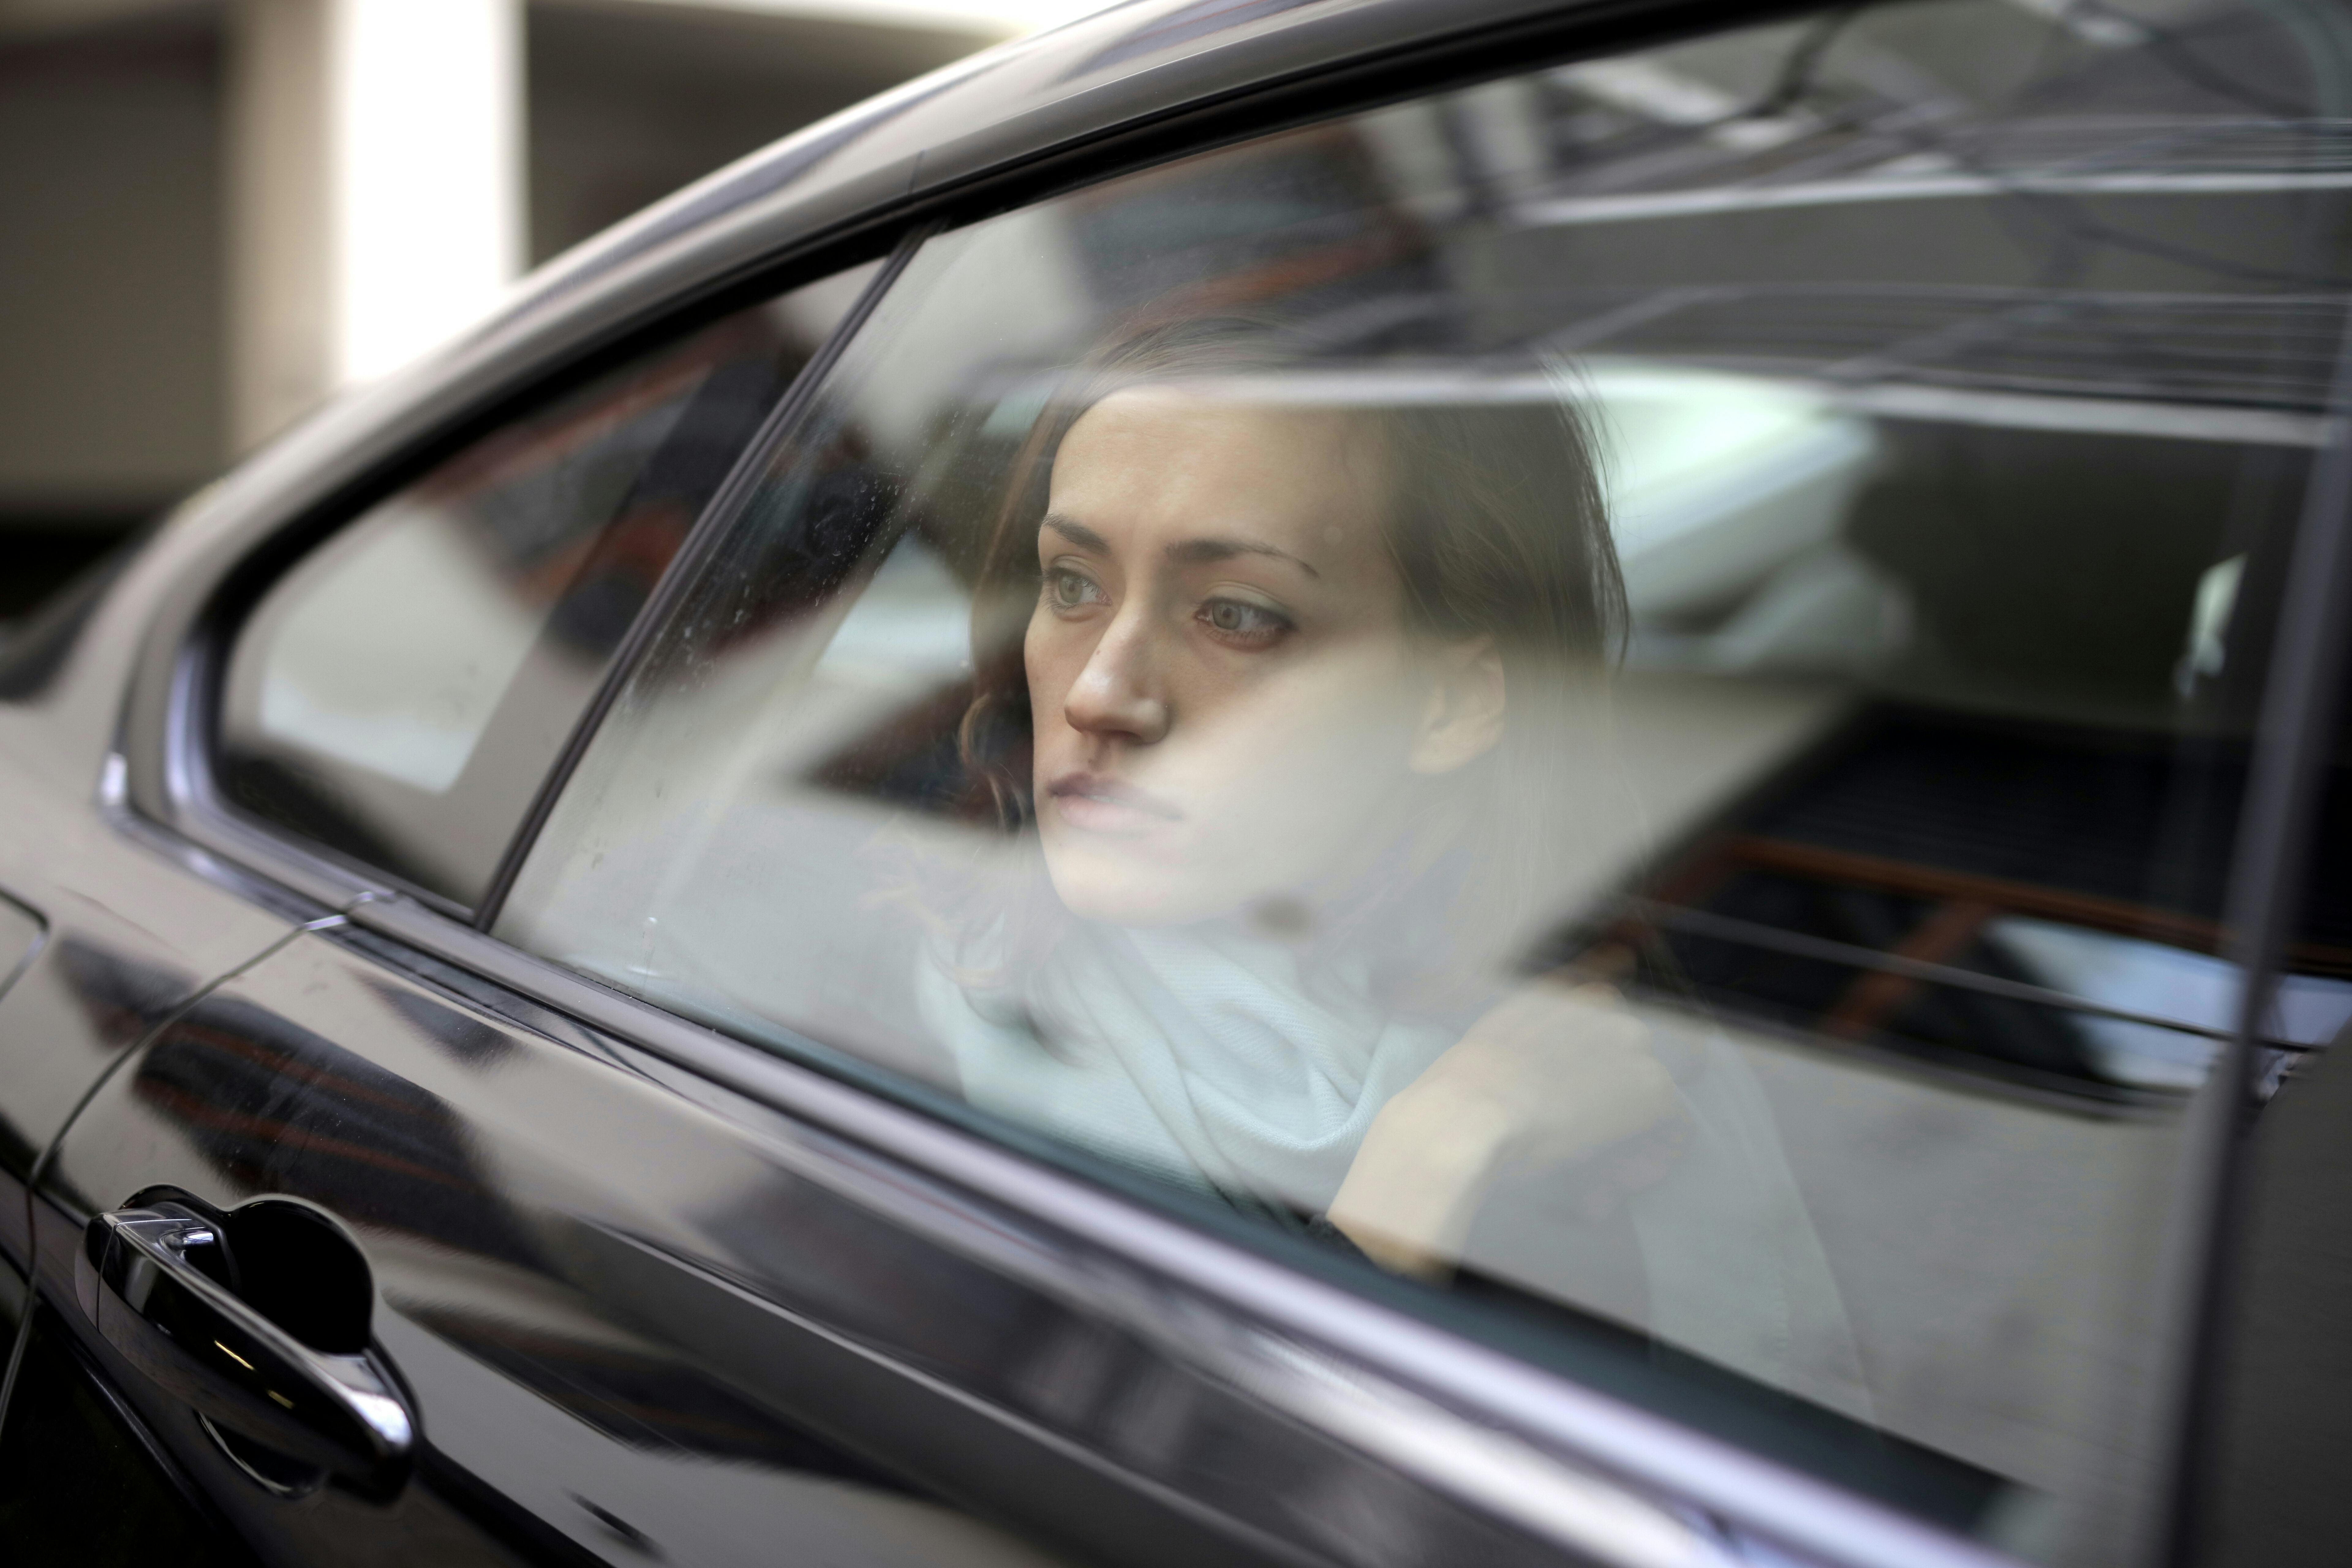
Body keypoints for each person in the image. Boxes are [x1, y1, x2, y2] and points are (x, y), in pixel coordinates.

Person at [914, 319, 1867, 1411]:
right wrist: (1430, 1165)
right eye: (1072, 585)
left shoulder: (1626, 1053)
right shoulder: (891, 1024)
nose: (1098, 694)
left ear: (1457, 699)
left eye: (1236, 616)